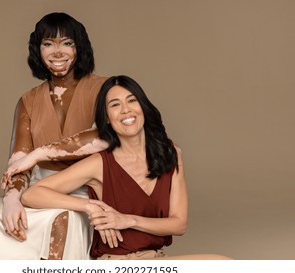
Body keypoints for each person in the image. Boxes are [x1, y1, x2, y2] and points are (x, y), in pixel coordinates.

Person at [12, 75, 231, 260]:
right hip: (115, 265)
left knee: (226, 266)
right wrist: (91, 206)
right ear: (107, 119)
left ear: (143, 107)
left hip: (155, 261)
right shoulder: (100, 163)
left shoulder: (171, 154)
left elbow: (178, 224)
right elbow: (32, 195)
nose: (125, 111)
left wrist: (127, 220)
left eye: (131, 101)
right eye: (115, 105)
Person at [0, 12, 108, 260]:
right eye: (48, 44)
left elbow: (107, 136)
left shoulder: (105, 88)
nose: (57, 52)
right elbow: (19, 160)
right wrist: (12, 198)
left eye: (67, 43)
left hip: (84, 189)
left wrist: (41, 153)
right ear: (38, 50)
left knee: (60, 220)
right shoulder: (28, 101)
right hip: (38, 190)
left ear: (80, 47)